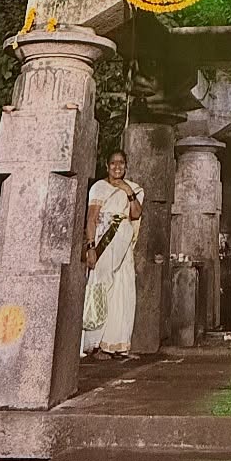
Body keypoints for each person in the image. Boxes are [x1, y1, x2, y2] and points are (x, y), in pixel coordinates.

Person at [81, 150, 144, 358]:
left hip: (123, 245)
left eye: (122, 163)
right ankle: (97, 344)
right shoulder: (99, 187)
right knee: (102, 288)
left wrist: (127, 190)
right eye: (113, 163)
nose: (117, 167)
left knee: (123, 291)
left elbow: (135, 213)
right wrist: (90, 247)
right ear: (107, 166)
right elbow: (91, 218)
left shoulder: (132, 188)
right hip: (104, 243)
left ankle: (116, 344)